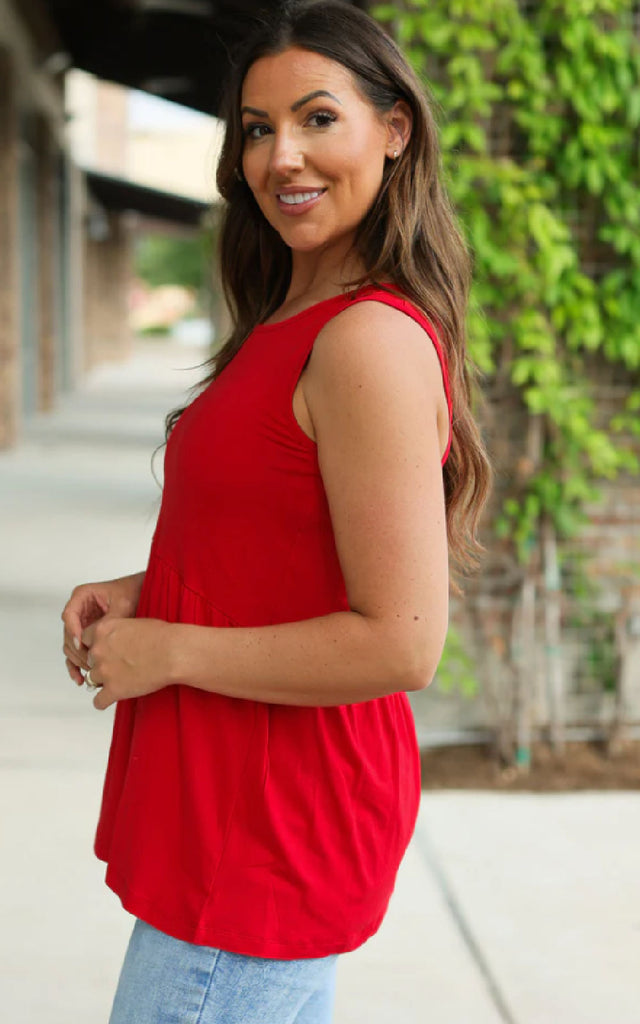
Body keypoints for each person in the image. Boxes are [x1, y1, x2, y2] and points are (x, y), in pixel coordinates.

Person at [61, 2, 491, 1021]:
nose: (281, 156)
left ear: (394, 129)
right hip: (231, 812)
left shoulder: (364, 343)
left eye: (315, 119)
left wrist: (171, 649)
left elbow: (401, 643)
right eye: (256, 129)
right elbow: (281, 537)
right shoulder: (288, 321)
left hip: (267, 831)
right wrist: (147, 591)